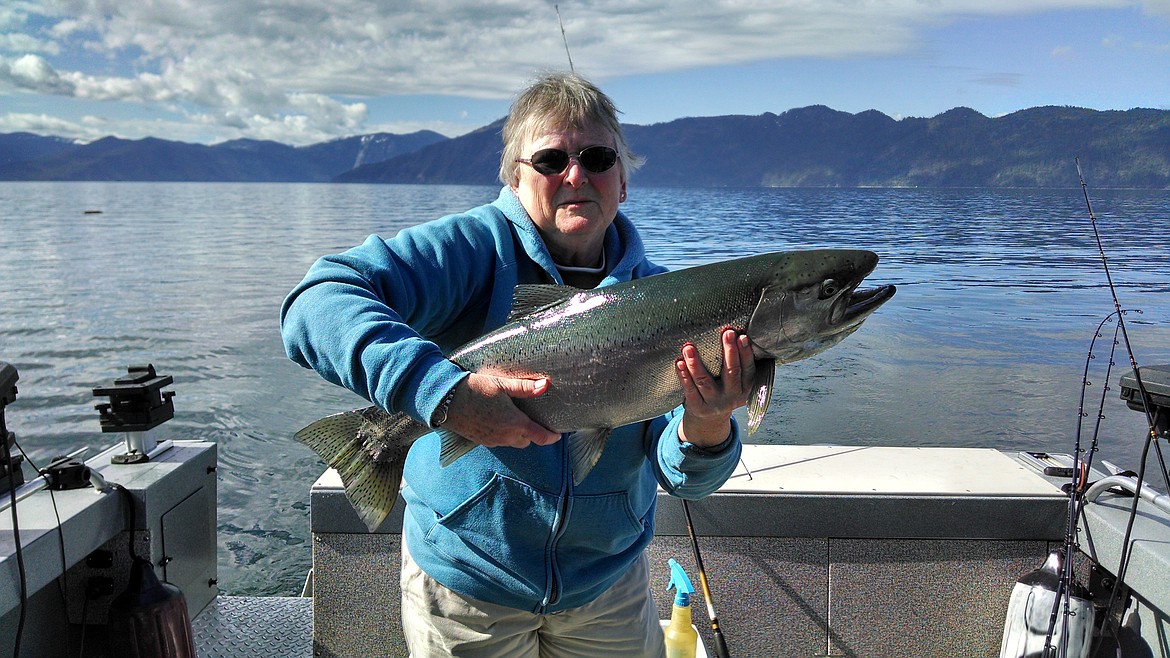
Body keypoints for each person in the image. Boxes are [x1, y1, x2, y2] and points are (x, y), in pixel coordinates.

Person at [281, 71, 753, 657]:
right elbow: (314, 302)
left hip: (607, 587)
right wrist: (442, 391)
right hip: (465, 589)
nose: (575, 174)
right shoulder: (467, 252)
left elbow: (686, 477)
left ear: (623, 180)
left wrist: (707, 428)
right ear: (514, 177)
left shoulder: (668, 301)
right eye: (551, 159)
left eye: (597, 156)